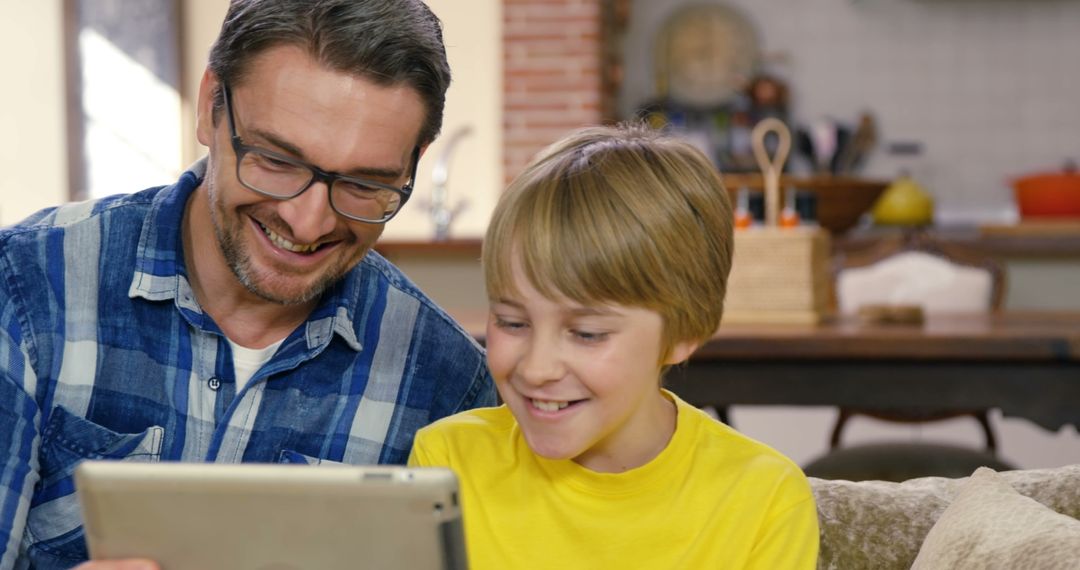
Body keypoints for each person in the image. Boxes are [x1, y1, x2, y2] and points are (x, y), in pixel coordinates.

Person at [0, 1, 496, 568]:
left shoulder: (449, 383)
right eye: (277, 159)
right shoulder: (25, 284)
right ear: (212, 107)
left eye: (365, 184)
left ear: (414, 162)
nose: (309, 224)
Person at [409, 124, 820, 568]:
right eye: (512, 322)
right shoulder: (447, 464)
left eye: (587, 334)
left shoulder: (766, 501)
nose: (536, 368)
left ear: (684, 333)